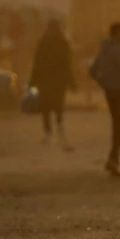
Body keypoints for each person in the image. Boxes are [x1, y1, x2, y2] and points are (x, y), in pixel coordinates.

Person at [88, 22, 120, 177]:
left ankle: (114, 159)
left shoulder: (103, 51)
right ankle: (113, 158)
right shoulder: (118, 51)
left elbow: (92, 70)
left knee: (117, 125)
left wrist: (103, 82)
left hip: (110, 91)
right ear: (115, 34)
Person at [31, 20, 76, 150]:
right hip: (58, 80)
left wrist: (33, 79)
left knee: (46, 107)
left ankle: (48, 133)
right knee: (58, 107)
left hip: (46, 80)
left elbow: (37, 62)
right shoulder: (63, 43)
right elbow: (67, 63)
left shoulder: (43, 42)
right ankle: (59, 131)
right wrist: (71, 81)